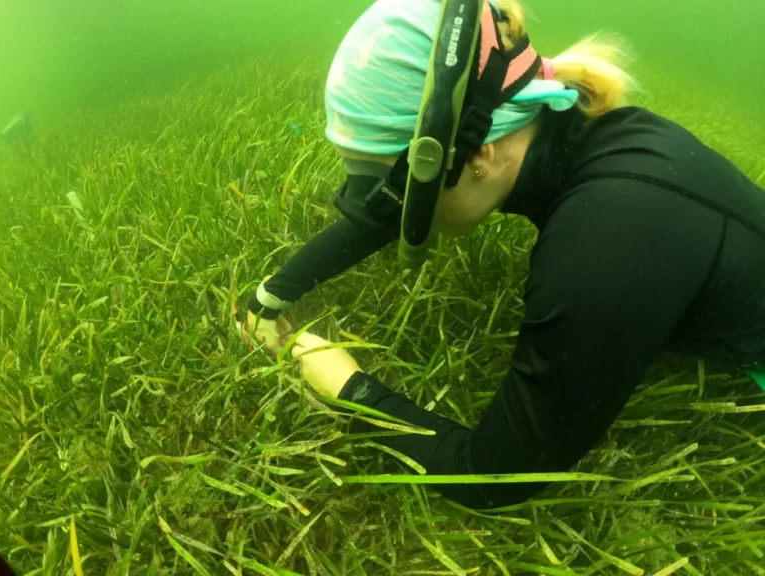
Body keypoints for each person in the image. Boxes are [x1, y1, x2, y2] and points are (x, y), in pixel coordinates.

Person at [242, 0, 765, 510]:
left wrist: (346, 385)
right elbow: (403, 197)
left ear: (478, 155)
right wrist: (277, 291)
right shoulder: (576, 133)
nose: (392, 211)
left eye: (392, 187)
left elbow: (494, 477)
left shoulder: (603, 246)